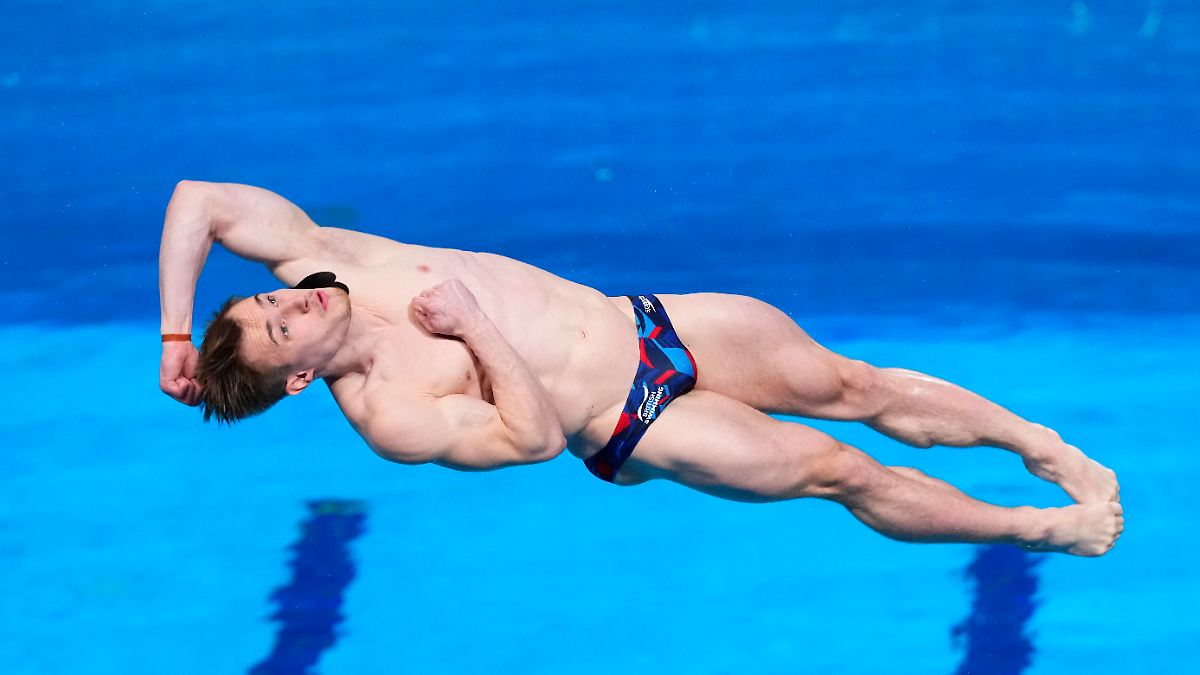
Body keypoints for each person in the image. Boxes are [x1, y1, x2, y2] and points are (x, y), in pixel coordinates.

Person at [158, 181, 1123, 556]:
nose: (295, 304)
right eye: (281, 326)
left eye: (271, 301)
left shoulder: (332, 258)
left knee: (855, 385)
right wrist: (475, 328)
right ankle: (1034, 527)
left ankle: (1036, 443)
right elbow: (533, 440)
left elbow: (198, 200)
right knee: (841, 471)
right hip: (633, 423)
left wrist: (174, 337)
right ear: (298, 378)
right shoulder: (390, 413)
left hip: (650, 320)